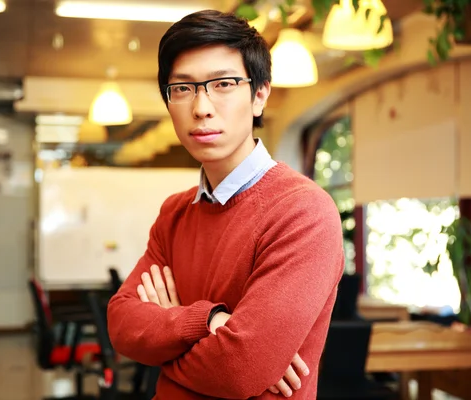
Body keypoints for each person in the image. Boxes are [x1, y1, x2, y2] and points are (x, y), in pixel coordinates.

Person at [107, 9, 344, 399]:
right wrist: (208, 320)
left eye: (224, 84)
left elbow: (238, 369)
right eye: (183, 88)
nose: (201, 107)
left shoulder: (302, 211)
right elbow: (121, 324)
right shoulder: (175, 212)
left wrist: (168, 329)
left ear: (259, 95)